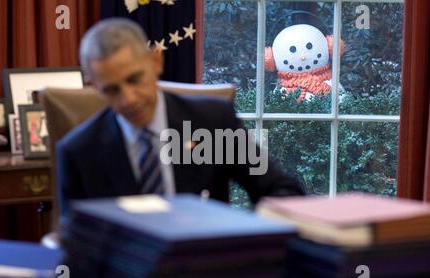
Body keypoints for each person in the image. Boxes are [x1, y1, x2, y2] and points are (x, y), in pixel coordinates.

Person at [57, 18, 305, 218]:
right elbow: (76, 242)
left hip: (209, 267)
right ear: (93, 86)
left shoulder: (212, 123)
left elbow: (282, 191)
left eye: (134, 79)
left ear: (156, 61)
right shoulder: (79, 151)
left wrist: (241, 234)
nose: (128, 99)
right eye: (111, 90)